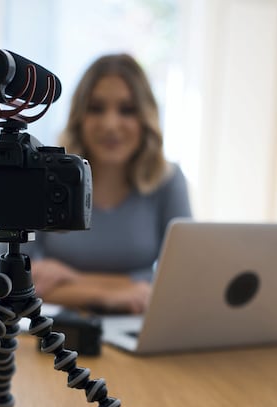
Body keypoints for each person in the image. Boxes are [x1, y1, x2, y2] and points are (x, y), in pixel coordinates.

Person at [20, 53, 192, 314]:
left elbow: (182, 284)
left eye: (127, 110)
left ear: (145, 119)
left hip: (139, 336)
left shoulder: (168, 180)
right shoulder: (43, 177)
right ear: (79, 117)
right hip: (56, 336)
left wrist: (72, 279)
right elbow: (11, 281)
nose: (111, 124)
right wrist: (112, 294)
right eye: (96, 108)